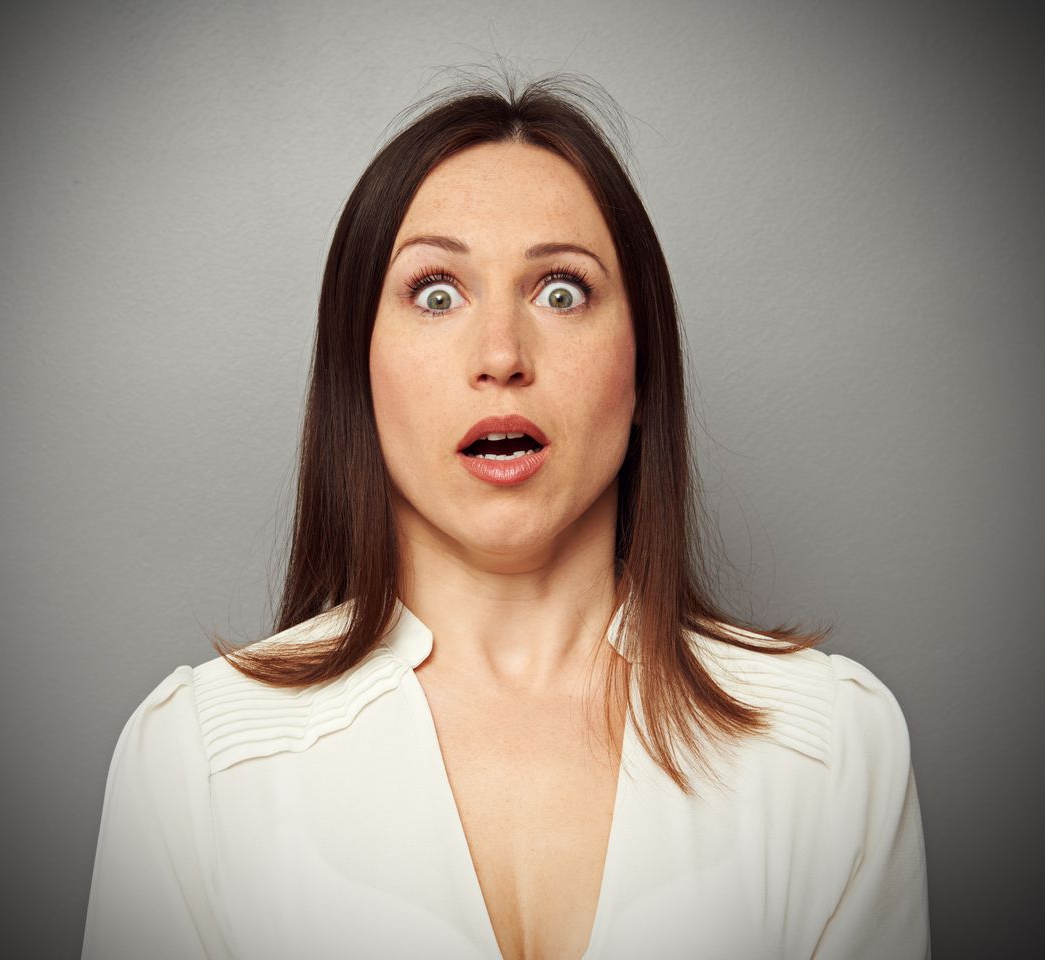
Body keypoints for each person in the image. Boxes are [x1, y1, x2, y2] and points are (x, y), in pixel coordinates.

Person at [81, 74, 930, 959]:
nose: (500, 357)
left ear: (643, 371)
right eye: (436, 293)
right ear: (357, 374)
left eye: (561, 292)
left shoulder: (833, 746)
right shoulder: (196, 765)